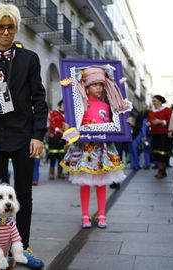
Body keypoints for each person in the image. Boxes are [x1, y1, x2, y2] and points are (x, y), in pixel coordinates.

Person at [0, 3, 48, 269]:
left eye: (10, 27)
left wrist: (38, 134)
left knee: (23, 195)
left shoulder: (29, 58)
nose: (5, 32)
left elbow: (39, 98)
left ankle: (23, 248)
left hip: (23, 136)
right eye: (0, 27)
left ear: (16, 29)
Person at [60, 66, 127, 230]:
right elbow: (74, 126)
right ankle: (84, 216)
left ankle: (102, 215)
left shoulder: (106, 106)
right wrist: (67, 129)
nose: (99, 88)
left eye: (101, 85)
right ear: (86, 86)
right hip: (85, 149)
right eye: (95, 84)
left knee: (101, 182)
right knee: (85, 183)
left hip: (102, 148)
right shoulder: (80, 105)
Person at [147, 95, 172, 179]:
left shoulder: (167, 110)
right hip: (154, 135)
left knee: (163, 153)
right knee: (156, 153)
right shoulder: (151, 112)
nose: (153, 102)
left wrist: (161, 122)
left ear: (160, 101)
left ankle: (160, 171)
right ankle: (162, 171)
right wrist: (149, 123)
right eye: (152, 101)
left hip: (164, 135)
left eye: (155, 100)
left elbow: (171, 121)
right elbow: (150, 121)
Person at [47, 100, 66, 180]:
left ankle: (60, 173)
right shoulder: (53, 113)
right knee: (53, 155)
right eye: (63, 104)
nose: (64, 106)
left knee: (61, 156)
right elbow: (51, 124)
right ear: (60, 104)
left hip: (63, 137)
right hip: (54, 138)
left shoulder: (67, 114)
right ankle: (51, 173)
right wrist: (58, 130)